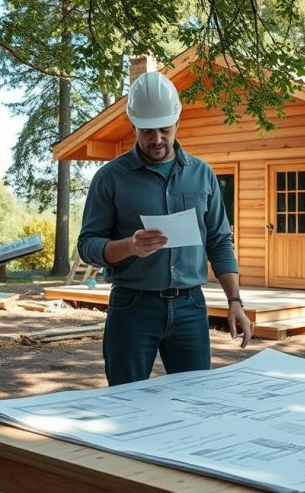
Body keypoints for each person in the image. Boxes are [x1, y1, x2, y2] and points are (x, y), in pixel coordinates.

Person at [78, 71, 254, 386]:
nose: (157, 139)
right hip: (132, 308)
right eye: (147, 131)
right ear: (132, 126)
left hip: (190, 307)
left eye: (164, 128)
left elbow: (220, 242)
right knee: (125, 401)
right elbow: (88, 245)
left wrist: (234, 301)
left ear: (177, 122)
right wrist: (129, 247)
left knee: (195, 401)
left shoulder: (202, 175)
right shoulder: (110, 178)